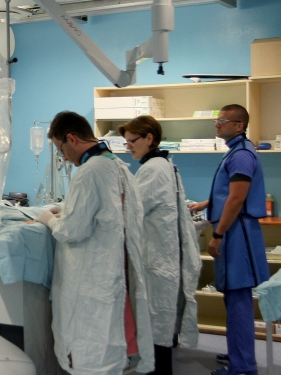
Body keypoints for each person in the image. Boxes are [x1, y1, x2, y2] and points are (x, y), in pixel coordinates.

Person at [32, 111, 154, 374]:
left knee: (92, 347)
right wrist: (68, 209)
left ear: (72, 139)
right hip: (117, 269)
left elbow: (72, 231)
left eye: (60, 150)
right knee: (114, 337)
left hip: (95, 277)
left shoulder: (89, 171)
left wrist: (50, 220)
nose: (64, 158)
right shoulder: (116, 164)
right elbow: (107, 213)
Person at [188, 104, 270, 375]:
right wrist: (207, 203)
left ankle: (243, 366)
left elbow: (236, 200)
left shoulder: (242, 155)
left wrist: (218, 235)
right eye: (217, 120)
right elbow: (229, 192)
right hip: (235, 229)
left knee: (238, 301)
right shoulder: (236, 151)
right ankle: (238, 354)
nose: (217, 124)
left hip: (237, 232)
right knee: (233, 299)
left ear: (238, 126)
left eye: (222, 121)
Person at [118, 116, 201, 375]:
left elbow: (131, 209)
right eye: (126, 142)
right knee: (159, 326)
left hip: (157, 261)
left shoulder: (153, 169)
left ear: (149, 138)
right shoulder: (164, 164)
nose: (128, 147)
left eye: (132, 141)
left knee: (155, 327)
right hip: (163, 257)